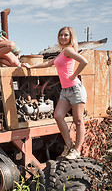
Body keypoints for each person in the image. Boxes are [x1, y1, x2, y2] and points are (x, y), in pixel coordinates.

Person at [24, 26, 88, 160]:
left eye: (66, 35)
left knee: (78, 120)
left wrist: (74, 75)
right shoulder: (62, 52)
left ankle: (77, 150)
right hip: (65, 91)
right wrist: (31, 66)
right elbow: (48, 63)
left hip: (75, 89)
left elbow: (84, 61)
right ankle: (69, 145)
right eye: (61, 35)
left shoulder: (70, 50)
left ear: (71, 37)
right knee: (58, 116)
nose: (63, 37)